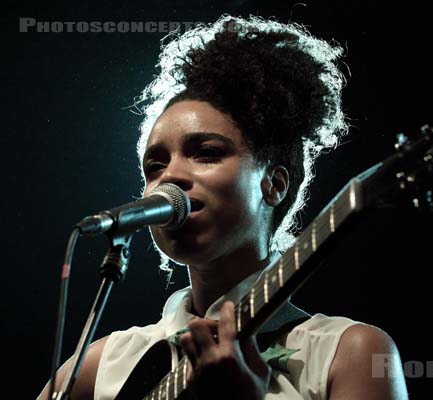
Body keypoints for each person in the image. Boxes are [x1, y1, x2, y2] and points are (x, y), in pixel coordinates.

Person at [39, 15, 408, 400]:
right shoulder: (100, 365)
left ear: (274, 184)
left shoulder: (349, 353)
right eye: (155, 165)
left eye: (207, 153)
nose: (171, 176)